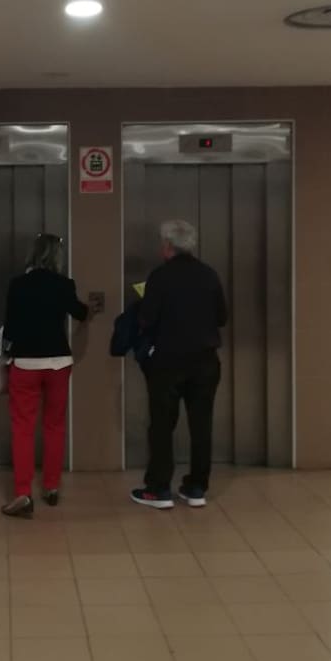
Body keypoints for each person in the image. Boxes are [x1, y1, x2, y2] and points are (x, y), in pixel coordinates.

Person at [131, 219, 227, 510]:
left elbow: (147, 318)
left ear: (167, 245)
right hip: (205, 361)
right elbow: (222, 317)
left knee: (162, 425)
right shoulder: (209, 275)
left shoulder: (160, 277)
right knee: (201, 425)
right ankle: (196, 487)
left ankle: (159, 489)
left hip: (167, 362)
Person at [1, 233, 88, 518]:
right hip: (58, 364)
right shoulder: (64, 284)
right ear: (57, 257)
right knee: (54, 425)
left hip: (25, 364)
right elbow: (80, 313)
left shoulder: (18, 285)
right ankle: (51, 487)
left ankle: (23, 493)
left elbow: (10, 329)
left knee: (23, 428)